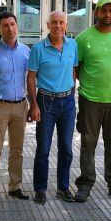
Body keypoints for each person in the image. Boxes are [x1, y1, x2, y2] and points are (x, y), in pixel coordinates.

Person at [74, 0, 111, 203]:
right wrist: (89, 84)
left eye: (110, 11)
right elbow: (77, 66)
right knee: (88, 143)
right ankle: (85, 183)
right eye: (103, 11)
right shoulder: (83, 38)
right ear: (96, 13)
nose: (107, 14)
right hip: (90, 99)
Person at [28, 11, 78, 205]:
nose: (58, 26)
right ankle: (40, 189)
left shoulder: (72, 45)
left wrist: (71, 91)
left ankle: (63, 188)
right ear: (48, 25)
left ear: (66, 25)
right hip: (45, 102)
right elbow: (30, 78)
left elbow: (74, 70)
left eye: (61, 22)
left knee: (66, 148)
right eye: (54, 22)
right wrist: (33, 105)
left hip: (68, 102)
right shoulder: (38, 49)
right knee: (43, 148)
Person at [0, 12, 31, 204]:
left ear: (17, 26)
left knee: (17, 149)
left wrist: (32, 104)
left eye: (12, 24)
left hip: (20, 106)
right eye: (5, 25)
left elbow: (31, 79)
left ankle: (15, 186)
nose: (10, 29)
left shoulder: (26, 51)